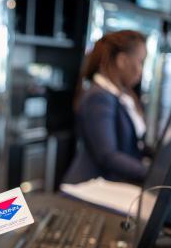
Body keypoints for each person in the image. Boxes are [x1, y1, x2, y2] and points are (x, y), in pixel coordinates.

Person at [63, 30, 149, 185]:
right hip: (88, 188)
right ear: (122, 60)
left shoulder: (122, 94)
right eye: (140, 62)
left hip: (108, 185)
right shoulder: (99, 97)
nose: (141, 71)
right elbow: (108, 156)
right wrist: (151, 173)